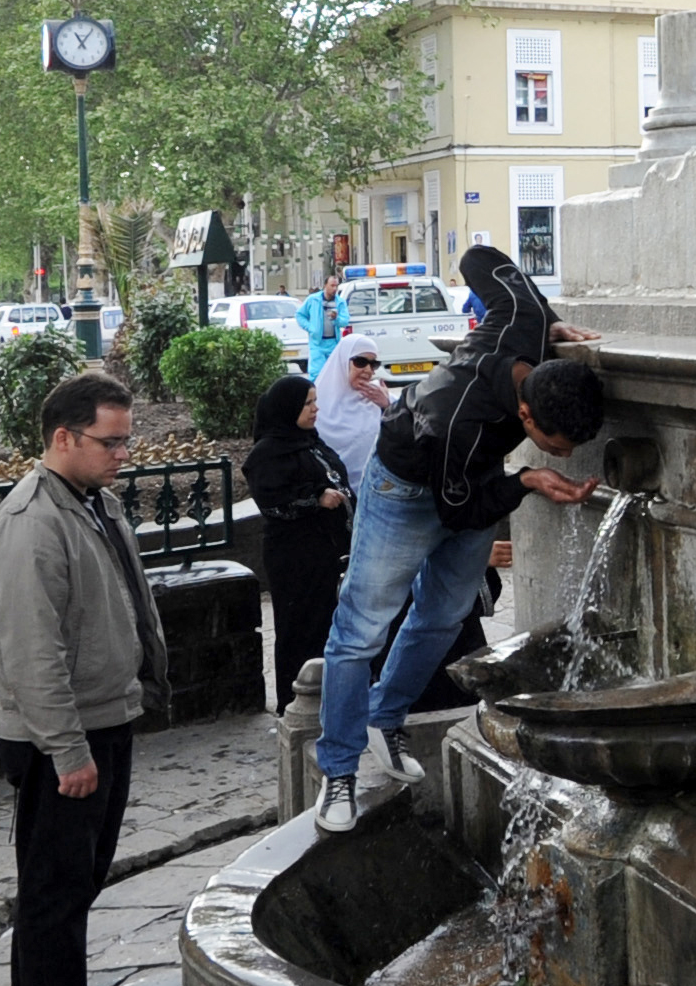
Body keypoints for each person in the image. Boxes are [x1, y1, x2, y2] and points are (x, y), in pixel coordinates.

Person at [313, 247, 605, 833]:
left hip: (467, 479)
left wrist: (545, 317)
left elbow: (477, 258)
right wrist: (526, 480)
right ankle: (338, 770)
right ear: (525, 414)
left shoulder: (521, 322)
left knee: (445, 615)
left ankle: (385, 716)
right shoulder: (457, 421)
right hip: (408, 484)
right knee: (361, 629)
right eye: (556, 444)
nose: (566, 455)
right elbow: (463, 510)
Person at [0, 372, 166, 986]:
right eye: (109, 441)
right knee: (55, 887)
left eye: (127, 439)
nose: (123, 453)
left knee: (72, 881)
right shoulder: (34, 522)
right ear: (64, 438)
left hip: (102, 715)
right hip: (64, 732)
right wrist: (67, 750)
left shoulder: (93, 501)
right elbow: (33, 652)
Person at [242, 376, 354, 700]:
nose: (315, 409)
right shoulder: (268, 454)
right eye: (308, 403)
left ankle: (337, 694)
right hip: (297, 559)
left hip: (329, 555)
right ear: (288, 408)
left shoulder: (311, 442)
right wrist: (315, 498)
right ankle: (300, 699)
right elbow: (273, 502)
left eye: (315, 401)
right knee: (302, 627)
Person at [313, 335, 392, 482]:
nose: (368, 370)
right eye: (360, 362)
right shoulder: (315, 402)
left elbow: (409, 429)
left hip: (374, 490)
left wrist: (387, 406)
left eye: (373, 364)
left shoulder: (379, 396)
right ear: (343, 361)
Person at [296, 274, 347, 377]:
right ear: (325, 285)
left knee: (334, 374)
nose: (335, 289)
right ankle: (315, 392)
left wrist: (336, 319)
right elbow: (300, 315)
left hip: (333, 343)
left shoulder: (340, 302)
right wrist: (311, 328)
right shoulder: (313, 300)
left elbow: (345, 321)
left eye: (336, 286)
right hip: (317, 343)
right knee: (316, 373)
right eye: (332, 285)